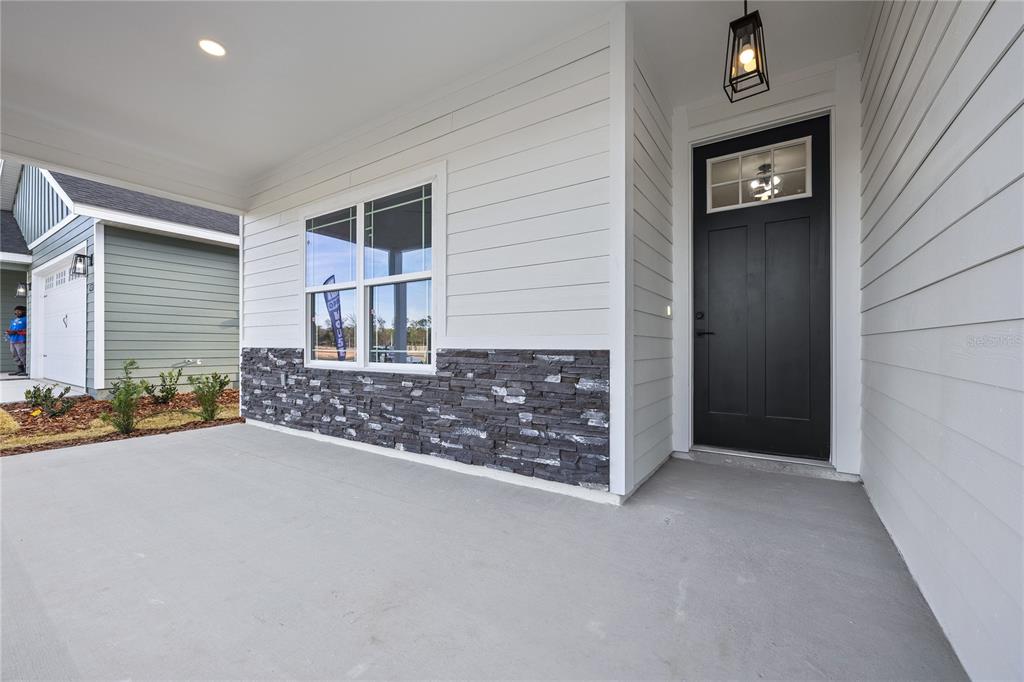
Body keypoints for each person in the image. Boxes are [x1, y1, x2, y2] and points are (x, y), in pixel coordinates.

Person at [5, 305, 27, 376]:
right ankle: (20, 369)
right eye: (16, 311)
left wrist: (17, 332)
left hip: (20, 340)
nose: (16, 313)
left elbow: (28, 330)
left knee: (22, 354)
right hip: (12, 340)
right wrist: (8, 332)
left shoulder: (26, 319)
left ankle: (27, 370)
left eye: (18, 311)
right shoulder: (14, 320)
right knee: (14, 355)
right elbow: (11, 329)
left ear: (23, 311)